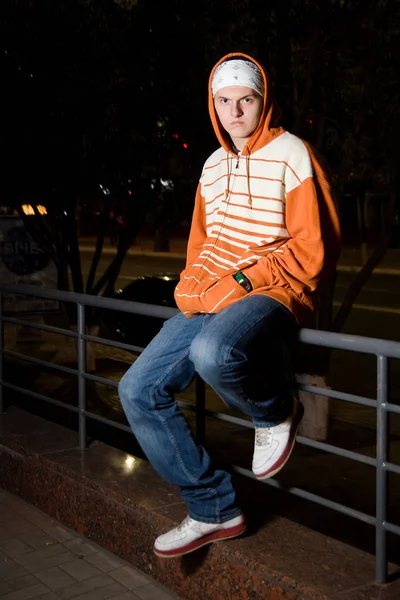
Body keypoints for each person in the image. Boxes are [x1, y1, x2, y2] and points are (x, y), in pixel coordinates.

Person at [118, 52, 341, 559]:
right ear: (213, 105)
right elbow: (201, 244)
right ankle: (212, 507)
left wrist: (246, 277)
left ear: (263, 101)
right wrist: (200, 284)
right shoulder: (212, 166)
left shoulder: (292, 153)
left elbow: (311, 253)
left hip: (272, 290)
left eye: (246, 100)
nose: (234, 111)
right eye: (224, 101)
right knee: (136, 388)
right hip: (212, 295)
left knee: (214, 353)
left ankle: (275, 411)